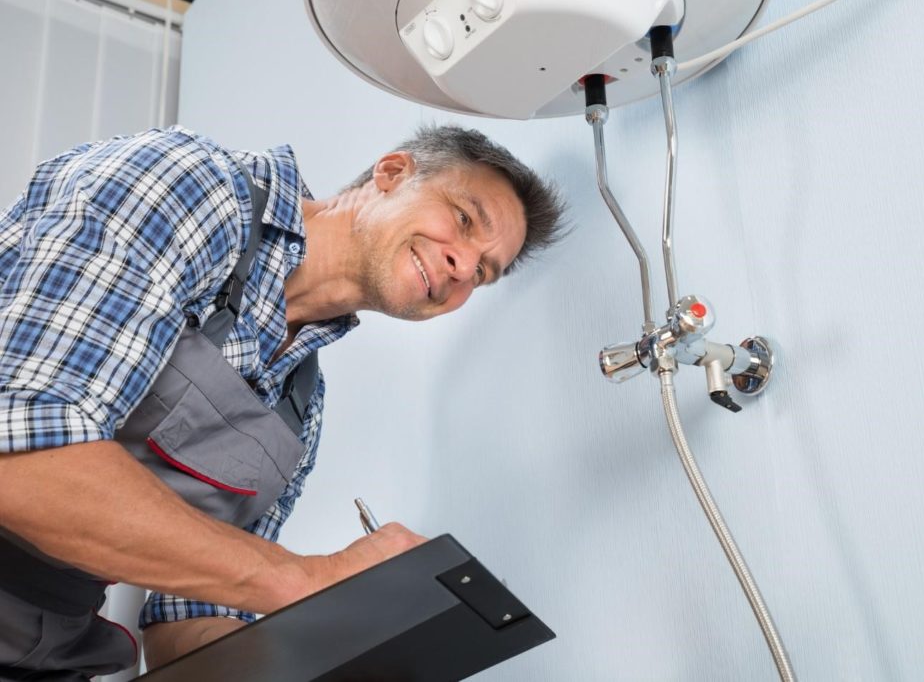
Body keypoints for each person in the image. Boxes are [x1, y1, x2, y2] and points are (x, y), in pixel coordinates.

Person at [0, 124, 566, 678]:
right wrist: (313, 579)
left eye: (483, 274)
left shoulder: (300, 403)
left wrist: (326, 647)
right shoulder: (192, 187)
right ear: (391, 174)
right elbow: (22, 458)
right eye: (464, 220)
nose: (463, 268)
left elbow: (188, 621)